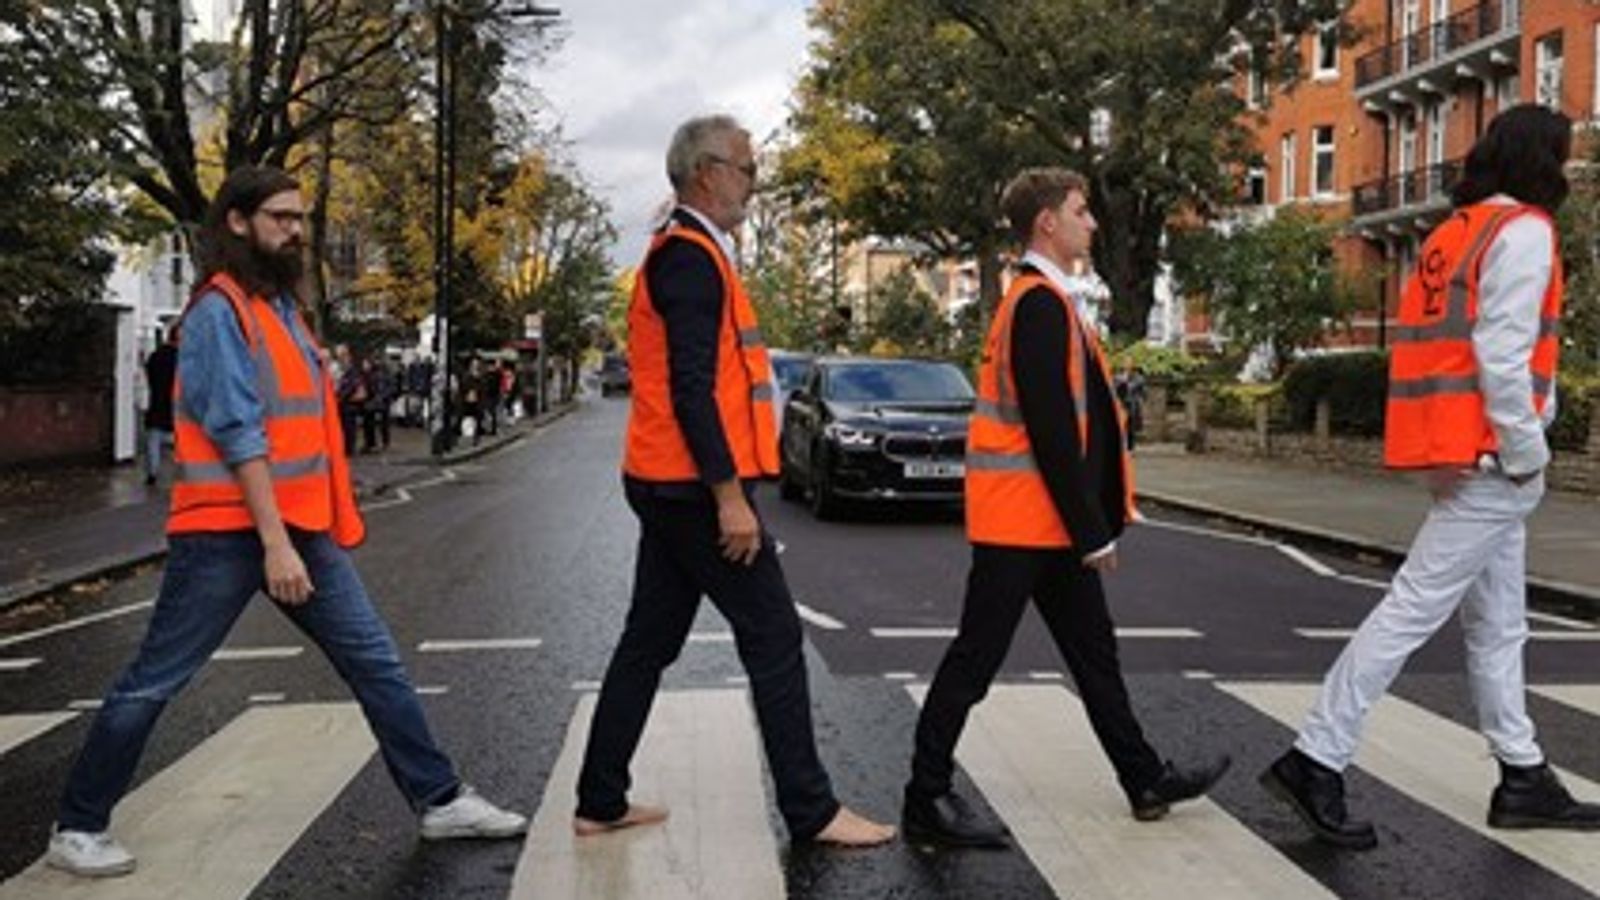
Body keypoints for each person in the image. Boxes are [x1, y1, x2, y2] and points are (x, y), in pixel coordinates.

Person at [44, 165, 527, 879]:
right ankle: (78, 825)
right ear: (236, 223)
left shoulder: (279, 310)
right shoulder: (218, 312)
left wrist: (299, 531)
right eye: (279, 217)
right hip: (229, 533)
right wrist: (275, 544)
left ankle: (440, 798)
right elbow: (239, 434)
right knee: (157, 678)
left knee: (376, 663)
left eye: (299, 218)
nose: (294, 230)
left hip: (298, 527)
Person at [1261, 105, 1600, 850]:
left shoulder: (1451, 235)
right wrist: (1528, 451)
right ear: (1541, 159)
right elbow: (1503, 358)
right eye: (1564, 155)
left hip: (1452, 454)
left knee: (1498, 623)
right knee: (1412, 609)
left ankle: (1522, 771)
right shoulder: (1524, 232)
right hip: (1492, 459)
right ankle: (1316, 755)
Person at [573, 114, 894, 847]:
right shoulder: (688, 257)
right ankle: (812, 811)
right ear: (706, 173)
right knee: (775, 635)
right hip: (691, 487)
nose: (755, 181)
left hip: (666, 479)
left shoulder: (694, 251)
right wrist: (728, 497)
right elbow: (693, 390)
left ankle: (600, 798)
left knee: (648, 640)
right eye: (748, 169)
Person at [903, 168, 1230, 847]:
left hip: (1043, 522)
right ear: (1047, 223)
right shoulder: (1038, 305)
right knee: (976, 659)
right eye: (1082, 212)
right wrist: (1091, 530)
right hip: (1023, 521)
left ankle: (1142, 778)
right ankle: (924, 797)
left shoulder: (1047, 299)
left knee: (1095, 657)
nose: (1093, 222)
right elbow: (1052, 428)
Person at [141, 327, 179, 486]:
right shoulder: (183, 358)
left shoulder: (155, 356)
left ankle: (152, 473)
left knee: (153, 441)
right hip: (176, 406)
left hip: (156, 402)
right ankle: (181, 472)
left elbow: (149, 376)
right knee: (179, 441)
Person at [1114, 360, 1146, 451]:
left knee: (1131, 426)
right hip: (1121, 404)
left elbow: (1143, 392)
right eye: (1125, 363)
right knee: (1121, 424)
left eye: (1129, 364)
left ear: (1133, 366)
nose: (1127, 365)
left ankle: (1130, 446)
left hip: (1132, 404)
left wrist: (1140, 400)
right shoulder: (1117, 377)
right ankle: (1121, 445)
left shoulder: (1138, 378)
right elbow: (1114, 389)